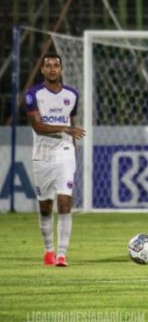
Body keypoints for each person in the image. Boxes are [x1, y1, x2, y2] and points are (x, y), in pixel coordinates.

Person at [24, 53, 86, 267]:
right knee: (45, 207)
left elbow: (72, 122)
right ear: (42, 70)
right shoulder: (33, 94)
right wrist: (65, 128)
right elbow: (38, 127)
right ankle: (48, 250)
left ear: (61, 69)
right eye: (48, 65)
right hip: (42, 155)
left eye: (56, 65)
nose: (52, 69)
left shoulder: (72, 95)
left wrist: (73, 152)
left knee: (65, 201)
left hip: (65, 152)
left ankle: (62, 254)